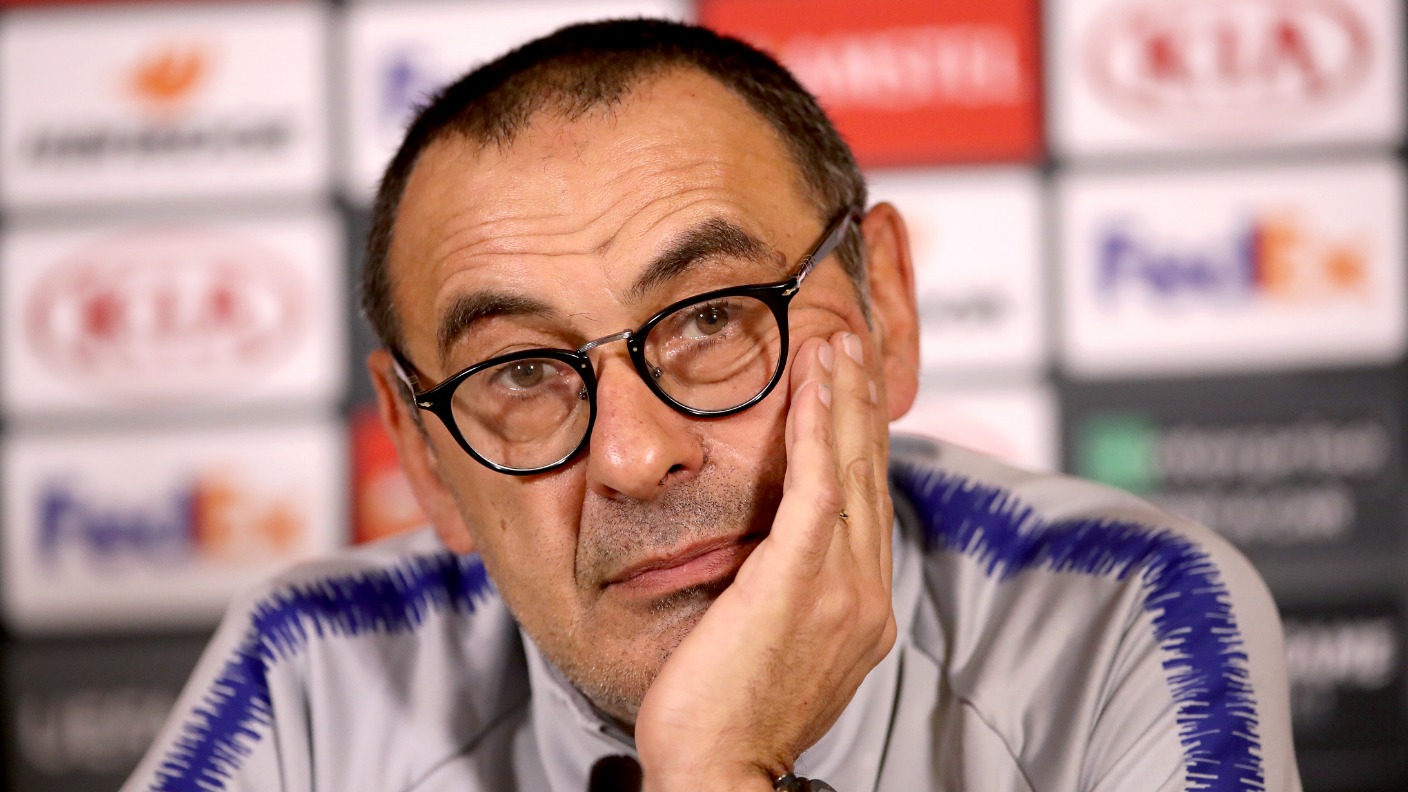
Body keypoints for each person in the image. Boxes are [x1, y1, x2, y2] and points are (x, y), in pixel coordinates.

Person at [123, 18, 1301, 792]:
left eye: (711, 318)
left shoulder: (1124, 617)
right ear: (427, 458)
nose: (634, 456)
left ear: (884, 311)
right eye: (519, 373)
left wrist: (719, 766)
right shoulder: (309, 676)